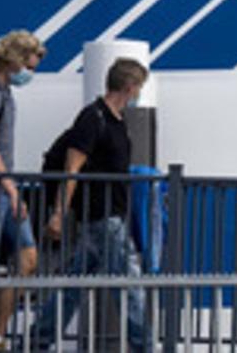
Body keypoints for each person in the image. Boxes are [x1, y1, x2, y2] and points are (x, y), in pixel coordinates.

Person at [31, 58, 149, 351]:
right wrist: (58, 213)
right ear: (129, 86)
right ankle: (144, 346)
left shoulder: (117, 121)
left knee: (73, 286)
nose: (139, 95)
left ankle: (36, 340)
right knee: (131, 287)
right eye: (139, 88)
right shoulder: (92, 118)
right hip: (102, 217)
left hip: (110, 216)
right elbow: (72, 168)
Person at [0, 30, 45, 345]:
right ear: (15, 59)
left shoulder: (6, 91)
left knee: (28, 257)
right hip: (0, 186)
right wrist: (9, 186)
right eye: (30, 65)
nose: (31, 73)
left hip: (4, 187)